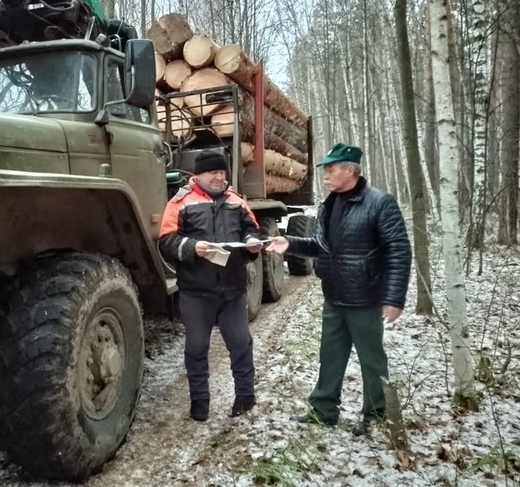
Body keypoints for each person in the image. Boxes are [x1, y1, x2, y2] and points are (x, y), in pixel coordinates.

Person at [266, 143, 411, 436]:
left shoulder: (380, 203)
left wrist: (394, 297)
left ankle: (376, 416)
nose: (326, 175)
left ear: (350, 170)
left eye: (331, 169)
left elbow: (399, 250)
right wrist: (290, 243)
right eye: (325, 170)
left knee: (372, 360)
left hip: (365, 297)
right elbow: (323, 248)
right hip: (334, 295)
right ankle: (324, 411)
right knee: (329, 355)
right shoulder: (329, 205)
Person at [158, 150, 265, 421]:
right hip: (196, 293)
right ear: (198, 175)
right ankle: (200, 401)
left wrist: (253, 244)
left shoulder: (237, 201)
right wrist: (193, 248)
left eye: (222, 172)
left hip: (232, 291)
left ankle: (245, 396)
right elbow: (166, 241)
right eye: (213, 173)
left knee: (241, 343)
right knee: (196, 347)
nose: (219, 177)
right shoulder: (180, 202)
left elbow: (252, 230)